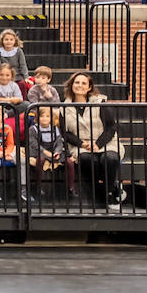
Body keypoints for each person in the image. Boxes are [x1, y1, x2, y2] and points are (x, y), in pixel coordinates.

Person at [62, 71, 123, 208]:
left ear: (89, 87)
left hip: (105, 141)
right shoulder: (63, 107)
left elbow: (111, 127)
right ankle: (111, 186)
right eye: (77, 82)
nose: (80, 85)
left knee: (109, 158)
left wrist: (98, 144)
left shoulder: (100, 103)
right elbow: (65, 133)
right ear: (71, 85)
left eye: (84, 83)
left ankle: (110, 194)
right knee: (87, 159)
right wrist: (82, 143)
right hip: (80, 144)